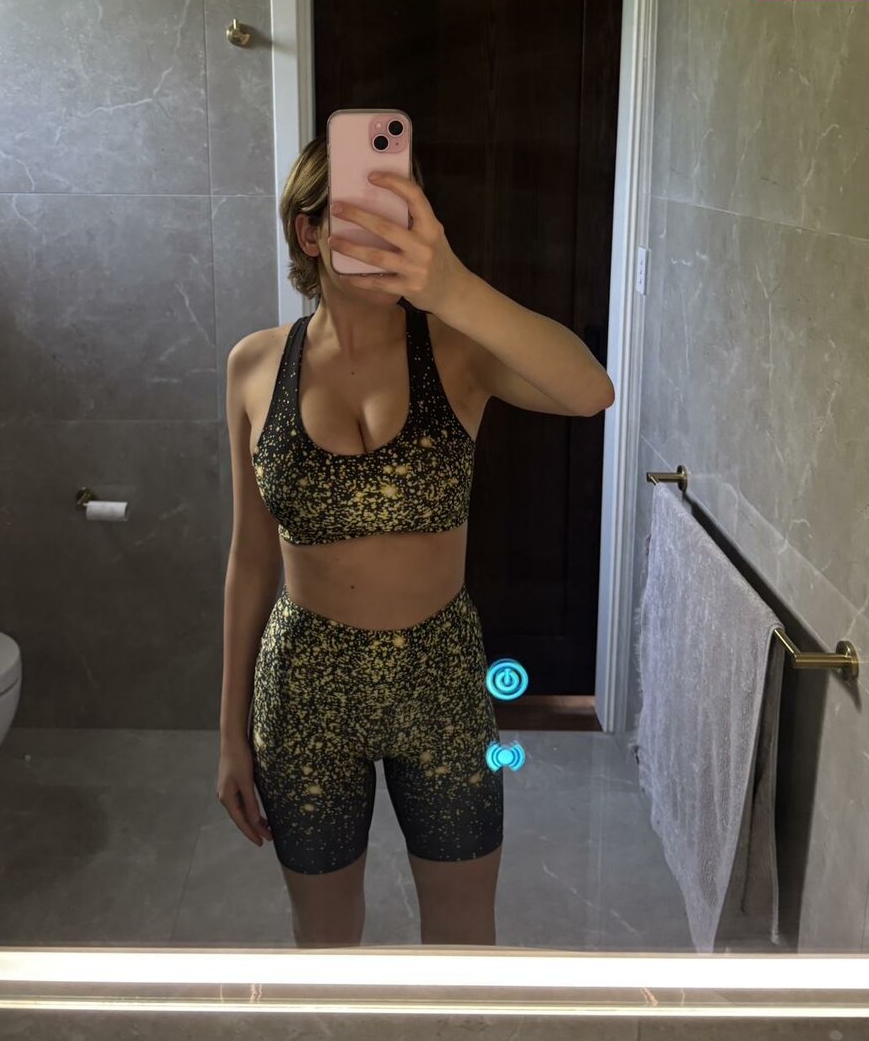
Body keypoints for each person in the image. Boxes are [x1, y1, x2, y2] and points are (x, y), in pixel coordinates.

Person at [217, 135, 615, 949]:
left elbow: (590, 390)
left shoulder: (457, 348)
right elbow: (250, 559)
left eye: (398, 215)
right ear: (308, 232)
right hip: (305, 685)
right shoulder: (255, 367)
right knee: (325, 938)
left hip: (442, 676)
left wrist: (453, 286)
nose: (382, 235)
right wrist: (228, 732)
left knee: (464, 937)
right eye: (358, 215)